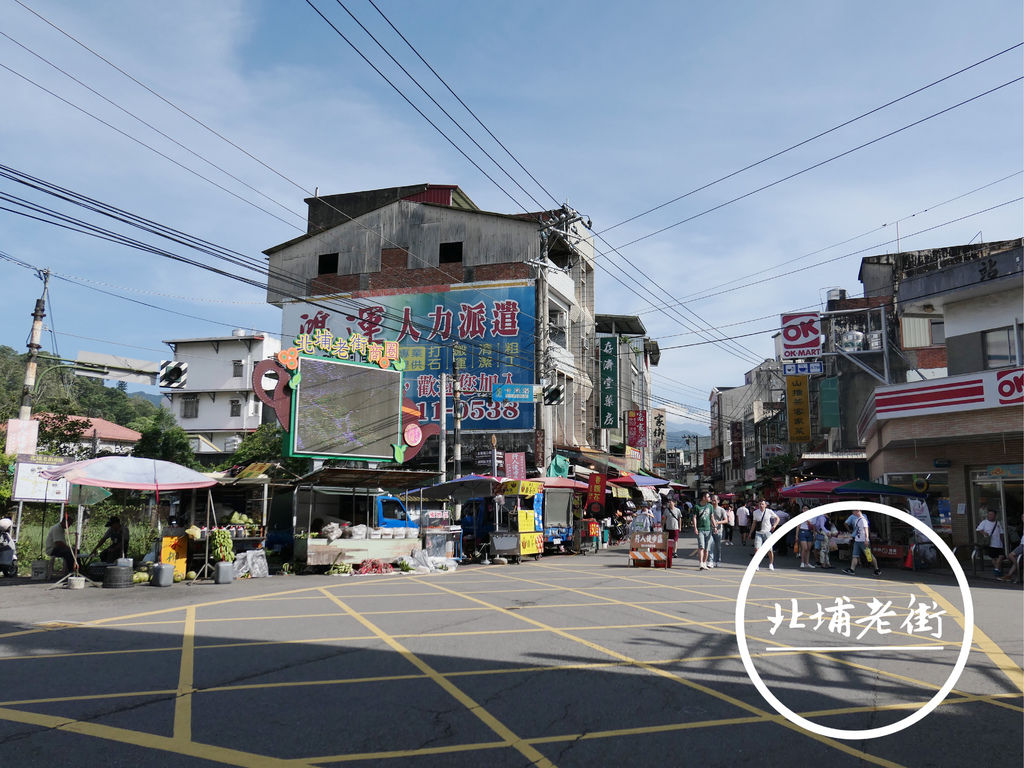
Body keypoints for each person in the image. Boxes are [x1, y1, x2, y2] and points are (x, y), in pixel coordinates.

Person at [843, 508, 881, 576]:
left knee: (869, 556)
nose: (853, 512)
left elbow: (866, 529)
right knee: (855, 555)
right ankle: (852, 569)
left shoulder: (863, 520)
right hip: (857, 540)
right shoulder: (858, 519)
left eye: (854, 511)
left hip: (863, 541)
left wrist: (866, 539)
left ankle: (877, 569)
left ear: (858, 511)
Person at [975, 508, 1007, 577]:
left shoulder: (997, 523)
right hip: (990, 543)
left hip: (999, 543)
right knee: (994, 558)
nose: (990, 516)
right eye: (989, 514)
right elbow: (978, 529)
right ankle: (998, 570)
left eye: (991, 514)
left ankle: (996, 569)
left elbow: (1001, 533)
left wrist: (1002, 542)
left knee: (1001, 556)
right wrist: (984, 533)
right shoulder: (984, 522)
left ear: (995, 515)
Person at [750, 500, 779, 571]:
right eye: (760, 504)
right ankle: (756, 564)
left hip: (767, 532)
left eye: (762, 504)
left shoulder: (769, 511)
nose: (761, 505)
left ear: (765, 505)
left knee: (769, 550)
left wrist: (774, 526)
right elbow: (754, 523)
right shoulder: (755, 512)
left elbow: (777, 518)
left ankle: (771, 564)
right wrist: (751, 533)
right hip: (758, 533)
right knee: (757, 549)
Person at [693, 492, 714, 570]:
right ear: (703, 498)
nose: (709, 498)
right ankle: (701, 563)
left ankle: (704, 563)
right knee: (701, 546)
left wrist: (715, 527)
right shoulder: (697, 507)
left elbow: (712, 517)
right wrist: (695, 528)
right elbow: (694, 517)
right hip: (700, 529)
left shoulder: (710, 506)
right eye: (708, 497)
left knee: (707, 548)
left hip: (708, 529)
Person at [709, 495, 727, 567]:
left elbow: (726, 520)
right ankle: (710, 561)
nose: (713, 502)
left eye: (715, 500)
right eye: (712, 500)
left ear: (718, 501)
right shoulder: (709, 508)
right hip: (710, 530)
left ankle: (718, 561)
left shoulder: (721, 510)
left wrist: (718, 522)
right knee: (710, 545)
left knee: (718, 546)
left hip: (718, 531)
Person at [662, 499, 681, 566]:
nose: (669, 503)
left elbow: (679, 518)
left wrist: (680, 527)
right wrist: (662, 526)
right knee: (669, 541)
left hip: (675, 528)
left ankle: (674, 552)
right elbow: (664, 519)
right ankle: (669, 551)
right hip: (668, 528)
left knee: (675, 540)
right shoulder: (666, 510)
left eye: (670, 502)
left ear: (674, 503)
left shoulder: (677, 510)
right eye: (669, 502)